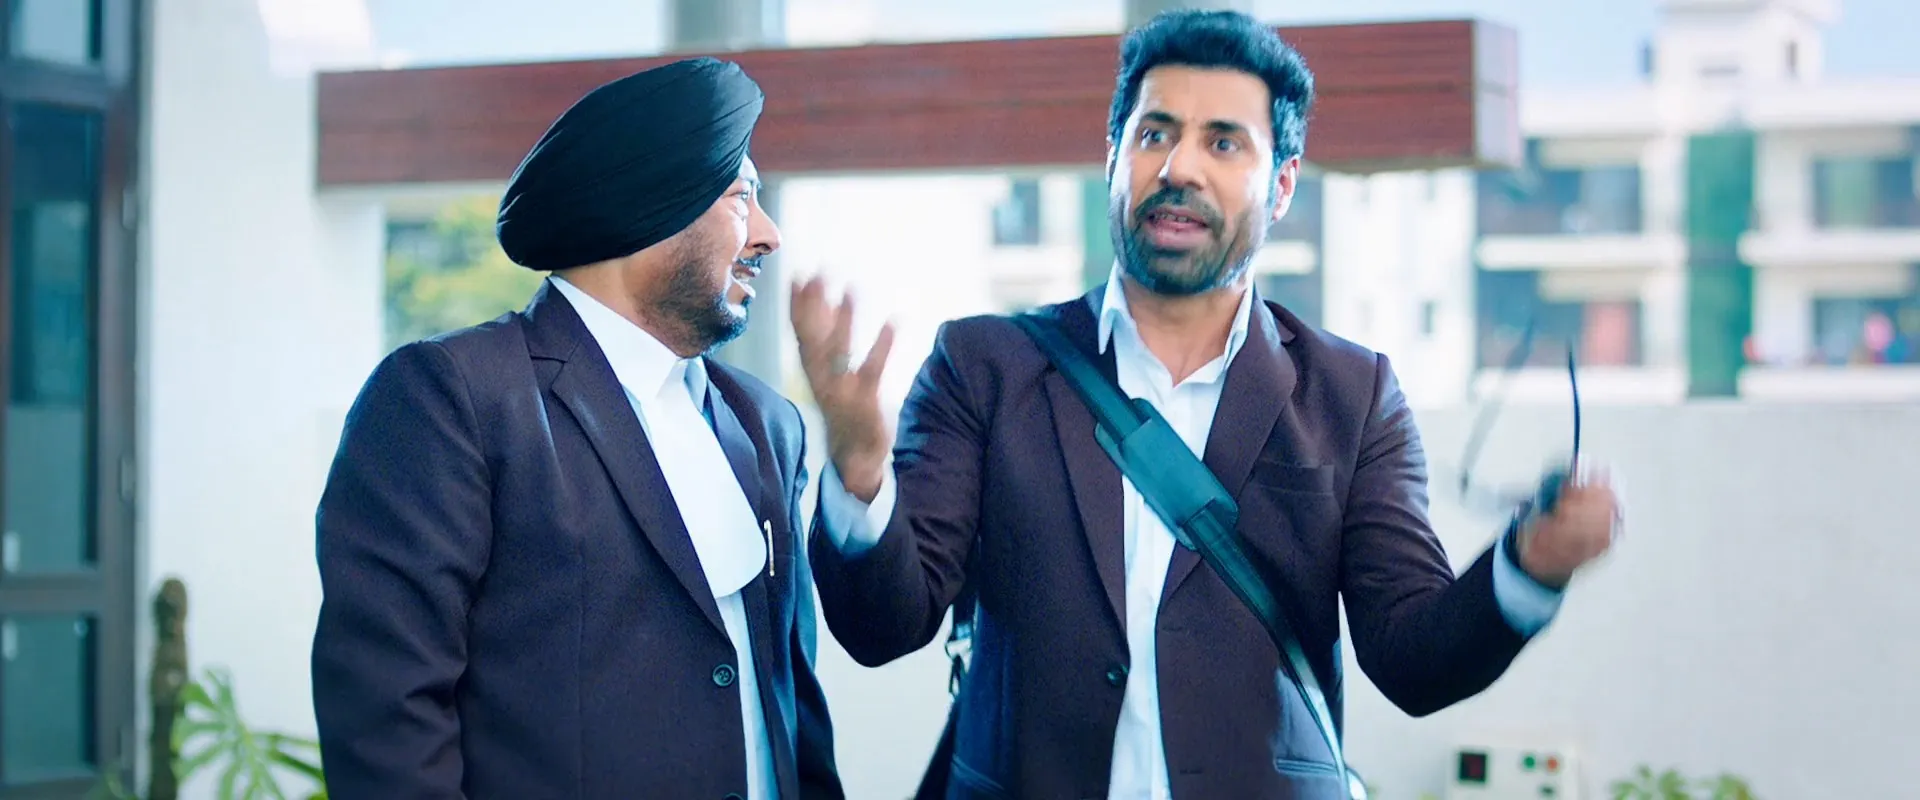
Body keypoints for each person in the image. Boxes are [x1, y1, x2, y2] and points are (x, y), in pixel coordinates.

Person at [791, 10, 1621, 800]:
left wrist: (1529, 568)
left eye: (1223, 143)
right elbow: (883, 626)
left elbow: (1412, 659)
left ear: (1282, 184)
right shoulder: (986, 366)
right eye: (1154, 135)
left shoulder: (1351, 394)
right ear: (1113, 158)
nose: (1178, 169)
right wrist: (860, 472)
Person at [312, 57, 843, 800]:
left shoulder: (767, 423)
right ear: (650, 205)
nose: (768, 234)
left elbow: (793, 708)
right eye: (741, 197)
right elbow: (386, 723)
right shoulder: (451, 398)